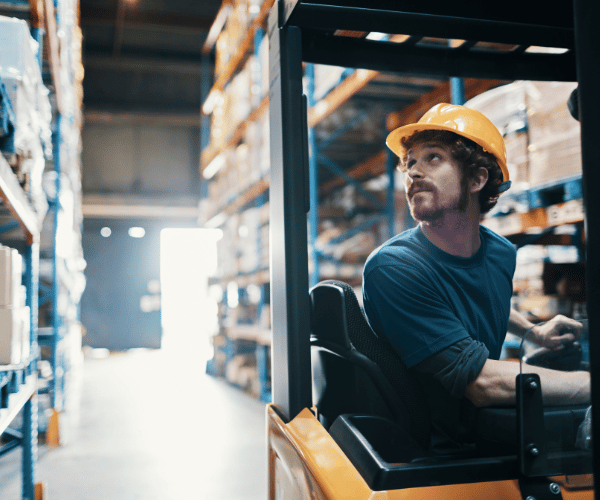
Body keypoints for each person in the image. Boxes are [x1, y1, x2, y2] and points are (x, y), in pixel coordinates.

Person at [362, 103, 590, 454]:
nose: (413, 173)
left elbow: (479, 294)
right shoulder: (393, 267)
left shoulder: (500, 253)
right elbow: (483, 384)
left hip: (481, 423)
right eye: (410, 163)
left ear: (477, 179)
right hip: (438, 447)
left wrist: (531, 331)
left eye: (432, 158)